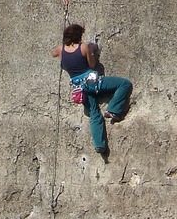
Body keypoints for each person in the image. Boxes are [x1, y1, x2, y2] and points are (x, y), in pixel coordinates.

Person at [52, 22, 132, 155]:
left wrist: (64, 51)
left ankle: (99, 145)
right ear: (78, 36)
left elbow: (53, 53)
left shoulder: (61, 50)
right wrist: (92, 50)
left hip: (79, 88)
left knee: (94, 114)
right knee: (124, 84)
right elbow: (92, 64)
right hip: (92, 83)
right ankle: (113, 109)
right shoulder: (83, 47)